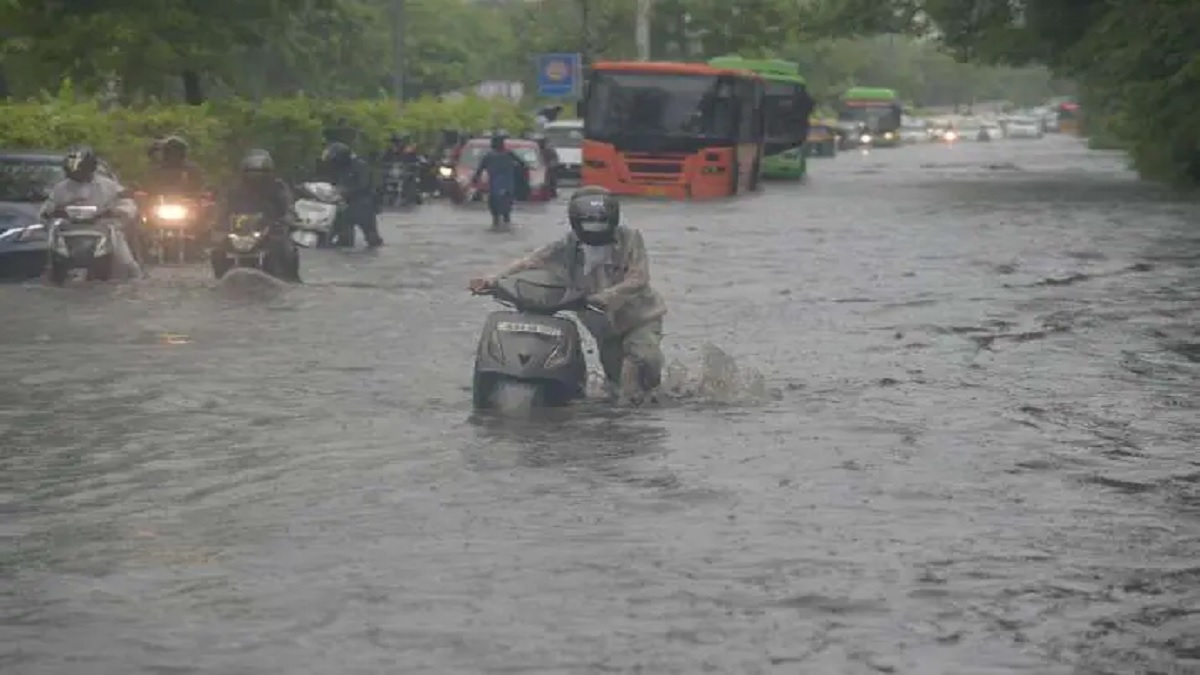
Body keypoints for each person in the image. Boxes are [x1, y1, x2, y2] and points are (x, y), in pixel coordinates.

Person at [468, 187, 667, 404]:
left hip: (639, 317)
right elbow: (530, 262)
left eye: (601, 222)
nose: (595, 228)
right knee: (617, 386)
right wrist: (493, 280)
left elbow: (639, 278)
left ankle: (649, 408)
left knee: (644, 357)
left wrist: (605, 297)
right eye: (588, 222)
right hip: (603, 326)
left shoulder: (630, 239)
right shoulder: (566, 246)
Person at [39, 145, 143, 278]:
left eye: (80, 171)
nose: (77, 175)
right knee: (48, 264)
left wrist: (118, 212)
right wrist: (51, 213)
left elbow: (127, 203)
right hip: (68, 233)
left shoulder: (108, 185)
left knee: (129, 264)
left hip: (103, 230)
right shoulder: (60, 188)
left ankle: (136, 280)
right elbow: (47, 209)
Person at [213, 149, 300, 281]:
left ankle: (290, 278)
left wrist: (288, 217)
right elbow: (223, 207)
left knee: (286, 248)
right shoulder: (234, 188)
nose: (255, 176)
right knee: (218, 250)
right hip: (240, 229)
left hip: (271, 228)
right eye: (251, 172)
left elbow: (288, 205)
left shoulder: (278, 186)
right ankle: (220, 278)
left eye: (261, 172)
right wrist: (216, 221)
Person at [318, 142, 383, 248]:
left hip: (363, 205)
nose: (333, 163)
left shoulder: (360, 165)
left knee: (372, 238)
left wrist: (343, 192)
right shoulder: (340, 167)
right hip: (346, 204)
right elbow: (335, 182)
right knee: (344, 238)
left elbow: (364, 185)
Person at [470, 134, 527, 227]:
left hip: (496, 186)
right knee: (506, 207)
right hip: (506, 185)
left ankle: (497, 221)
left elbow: (479, 169)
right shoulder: (508, 154)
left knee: (495, 207)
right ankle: (505, 220)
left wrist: (475, 179)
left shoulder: (489, 156)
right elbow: (523, 165)